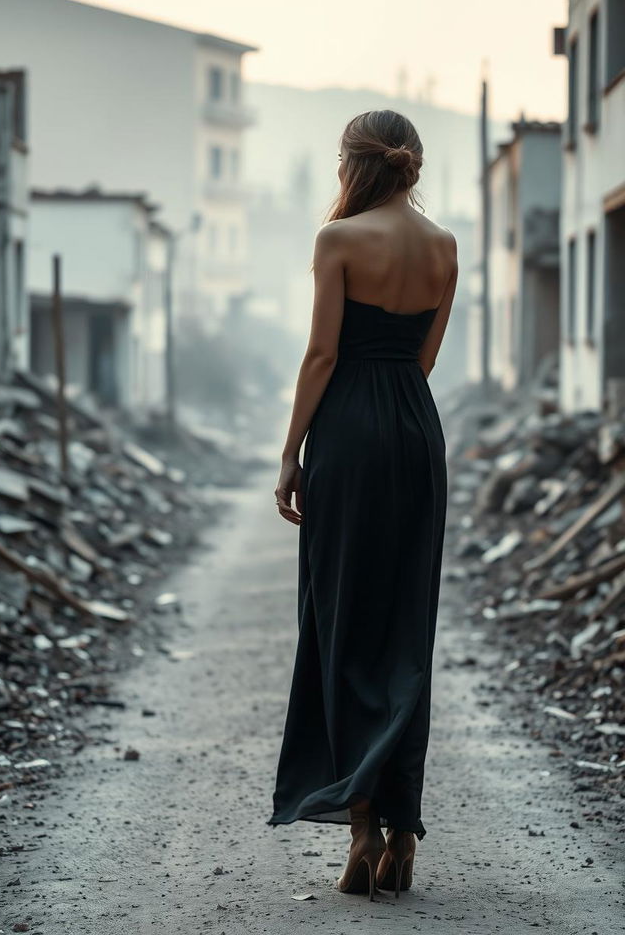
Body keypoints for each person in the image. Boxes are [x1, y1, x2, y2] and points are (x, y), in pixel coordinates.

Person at [266, 108, 458, 903]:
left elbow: (322, 352)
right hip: (416, 431)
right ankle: (404, 836)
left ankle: (361, 829)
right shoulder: (444, 246)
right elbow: (425, 357)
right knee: (405, 629)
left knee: (343, 621)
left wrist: (291, 454)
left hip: (347, 432)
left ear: (352, 164)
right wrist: (397, 414)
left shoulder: (337, 241)